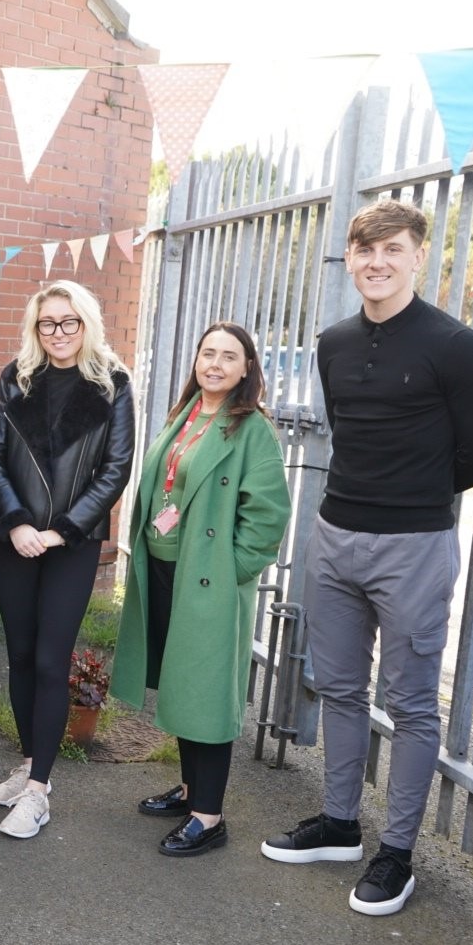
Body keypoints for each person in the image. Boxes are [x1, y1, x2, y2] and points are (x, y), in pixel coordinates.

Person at [261, 199, 473, 915]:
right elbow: (347, 428)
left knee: (408, 703)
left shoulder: (454, 345)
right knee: (336, 685)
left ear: (416, 255)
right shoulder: (332, 341)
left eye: (391, 249)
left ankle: (395, 853)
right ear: (350, 256)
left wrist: (408, 496)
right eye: (364, 249)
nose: (376, 261)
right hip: (333, 535)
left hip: (414, 546)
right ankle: (338, 823)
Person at [112, 322, 290, 857]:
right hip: (168, 570)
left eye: (228, 356)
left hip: (207, 578)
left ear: (246, 369)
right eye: (207, 353)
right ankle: (191, 792)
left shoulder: (251, 427)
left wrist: (232, 567)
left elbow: (268, 514)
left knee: (207, 692)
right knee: (182, 683)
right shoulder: (187, 413)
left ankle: (208, 818)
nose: (214, 364)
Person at [0, 281, 134, 839]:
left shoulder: (113, 385)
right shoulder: (14, 378)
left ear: (86, 323)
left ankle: (40, 791)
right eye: (47, 323)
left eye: (68, 322)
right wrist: (18, 522)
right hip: (13, 538)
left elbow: (115, 470)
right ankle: (27, 764)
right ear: (35, 328)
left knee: (52, 660)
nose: (58, 333)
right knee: (21, 656)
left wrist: (62, 532)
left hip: (72, 544)